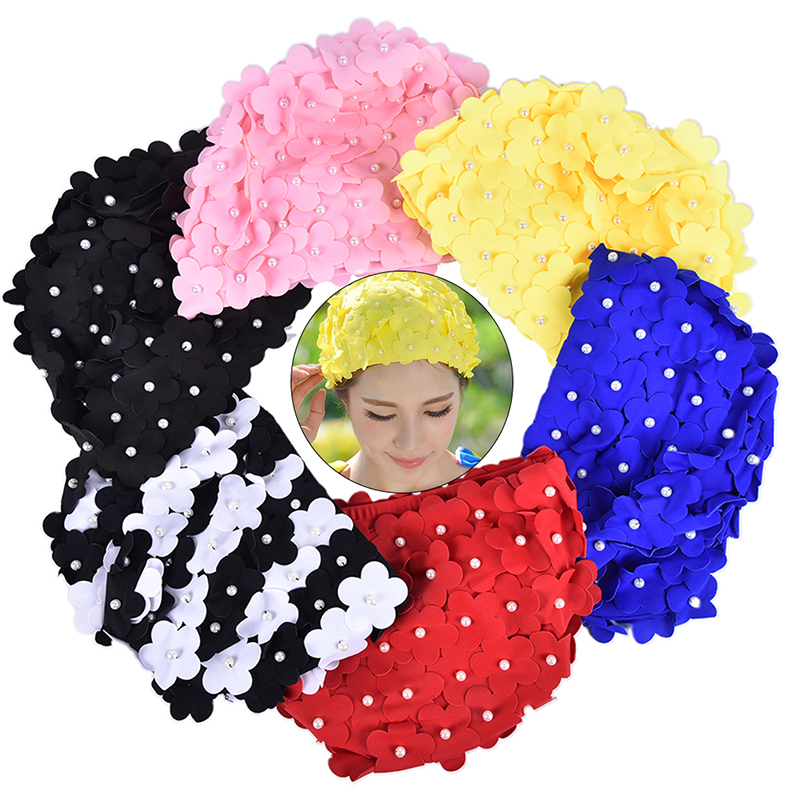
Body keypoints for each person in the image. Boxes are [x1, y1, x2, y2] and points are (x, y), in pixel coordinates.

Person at [292, 272, 481, 493]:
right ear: (344, 398)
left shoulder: (504, 482)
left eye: (436, 412)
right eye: (382, 415)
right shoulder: (309, 487)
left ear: (460, 389)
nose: (410, 444)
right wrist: (282, 452)